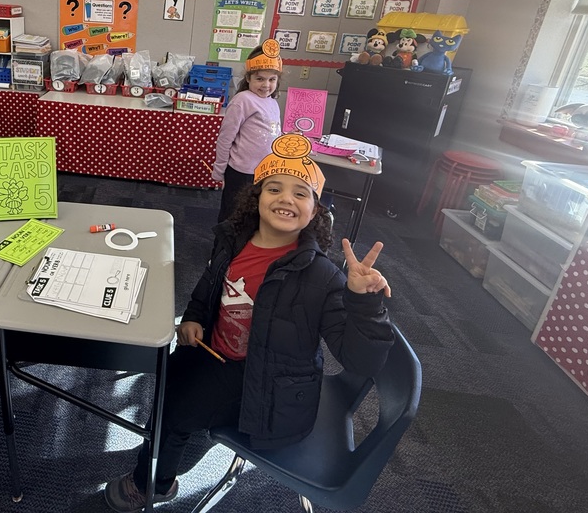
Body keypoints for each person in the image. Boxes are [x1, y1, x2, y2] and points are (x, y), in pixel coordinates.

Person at [104, 135, 394, 512]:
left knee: (172, 411)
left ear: (316, 212)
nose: (286, 198)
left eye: (300, 193)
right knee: (168, 371)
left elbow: (362, 361)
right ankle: (177, 435)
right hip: (219, 355)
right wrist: (193, 317)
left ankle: (151, 484)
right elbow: (209, 287)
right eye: (274, 188)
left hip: (267, 385)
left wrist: (364, 302)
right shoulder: (234, 240)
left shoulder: (322, 276)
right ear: (255, 198)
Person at [211, 38, 283, 222]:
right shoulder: (243, 100)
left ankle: (245, 251)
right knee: (233, 215)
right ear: (249, 78)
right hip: (241, 173)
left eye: (272, 79)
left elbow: (274, 134)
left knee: (254, 217)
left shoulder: (273, 103)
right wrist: (219, 169)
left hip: (265, 172)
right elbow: (225, 138)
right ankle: (224, 251)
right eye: (259, 78)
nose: (266, 85)